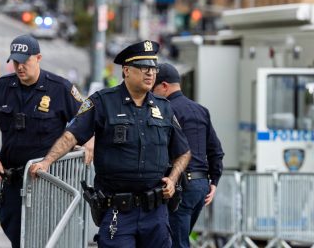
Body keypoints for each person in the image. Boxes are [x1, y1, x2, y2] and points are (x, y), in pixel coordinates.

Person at [29, 41, 191, 247]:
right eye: (143, 68)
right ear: (126, 70)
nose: (150, 73)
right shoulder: (102, 102)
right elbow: (72, 135)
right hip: (118, 211)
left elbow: (183, 152)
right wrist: (47, 162)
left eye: (153, 68)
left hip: (155, 213)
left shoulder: (164, 108)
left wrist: (172, 178)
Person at [0, 34, 90, 248]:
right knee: (16, 232)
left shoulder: (60, 88)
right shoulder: (2, 87)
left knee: (45, 238)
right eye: (15, 61)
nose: (19, 67)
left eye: (24, 61)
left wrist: (88, 144)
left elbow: (87, 119)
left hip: (48, 182)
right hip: (13, 180)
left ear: (38, 58)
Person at [152, 63, 224, 248]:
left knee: (176, 243)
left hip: (180, 185)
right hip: (201, 186)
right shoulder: (201, 110)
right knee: (179, 239)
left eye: (154, 88)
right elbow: (215, 150)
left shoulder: (166, 110)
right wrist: (214, 182)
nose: (151, 94)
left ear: (164, 86)